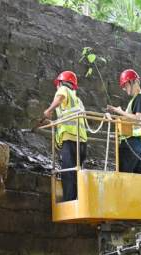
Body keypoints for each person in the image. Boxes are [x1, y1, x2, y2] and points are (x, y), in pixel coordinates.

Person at [43, 70, 87, 202]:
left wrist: (49, 110)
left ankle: (69, 201)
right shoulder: (78, 101)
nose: (57, 87)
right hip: (82, 141)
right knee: (77, 172)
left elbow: (60, 97)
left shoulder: (63, 89)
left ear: (61, 82)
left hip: (70, 139)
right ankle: (78, 200)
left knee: (68, 172)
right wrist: (53, 122)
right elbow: (68, 117)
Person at [106, 69, 141, 174]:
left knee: (124, 177)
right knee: (139, 180)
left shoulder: (140, 97)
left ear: (131, 82)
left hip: (133, 144)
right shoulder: (138, 99)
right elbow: (131, 119)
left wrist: (120, 111)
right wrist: (114, 115)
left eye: (125, 86)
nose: (124, 89)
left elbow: (138, 118)